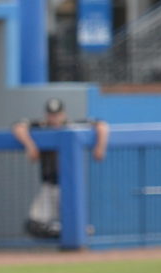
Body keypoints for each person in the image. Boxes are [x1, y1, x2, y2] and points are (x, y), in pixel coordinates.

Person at [12, 97, 110, 239]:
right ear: (46, 115)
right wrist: (30, 146)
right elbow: (18, 126)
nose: (54, 118)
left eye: (57, 114)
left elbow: (101, 124)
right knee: (34, 225)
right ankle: (70, 231)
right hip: (49, 185)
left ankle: (76, 234)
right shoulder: (42, 127)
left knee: (74, 223)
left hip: (69, 186)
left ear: (63, 114)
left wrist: (100, 147)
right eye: (51, 114)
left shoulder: (73, 126)